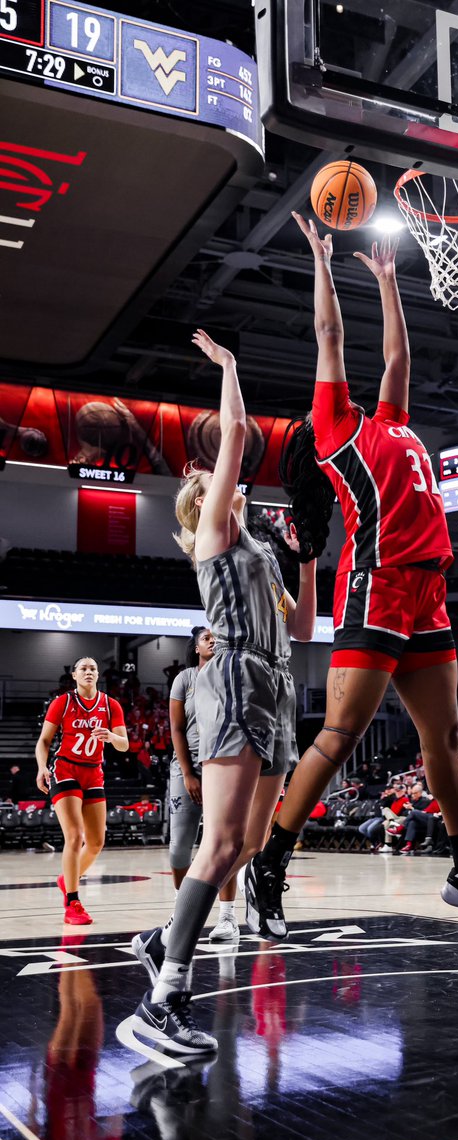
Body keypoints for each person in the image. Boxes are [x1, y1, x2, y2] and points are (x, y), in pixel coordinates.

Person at [238, 215, 458, 940]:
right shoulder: (337, 428)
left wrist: (390, 283)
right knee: (339, 735)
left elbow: (398, 359)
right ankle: (267, 864)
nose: (349, 387)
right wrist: (321, 260)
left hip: (427, 589)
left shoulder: (392, 422)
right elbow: (329, 338)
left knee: (449, 736)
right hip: (376, 585)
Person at [128, 329, 319, 1055]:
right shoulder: (214, 536)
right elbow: (235, 429)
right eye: (212, 479)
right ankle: (164, 997)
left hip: (274, 679)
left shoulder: (262, 553)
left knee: (251, 842)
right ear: (200, 505)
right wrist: (232, 368)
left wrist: (304, 561)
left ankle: (159, 937)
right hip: (235, 676)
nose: (227, 478)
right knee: (217, 845)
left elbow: (300, 626)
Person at [35, 657, 129, 925]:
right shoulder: (63, 702)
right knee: (75, 836)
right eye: (83, 668)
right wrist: (42, 767)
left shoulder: (110, 705)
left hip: (93, 773)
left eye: (92, 669)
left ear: (98, 675)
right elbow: (44, 741)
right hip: (65, 770)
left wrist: (111, 737)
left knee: (97, 841)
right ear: (74, 675)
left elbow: (124, 745)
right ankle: (72, 902)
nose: (88, 672)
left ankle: (67, 880)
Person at [167, 626, 242, 942]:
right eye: (205, 638)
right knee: (178, 850)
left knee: (224, 844)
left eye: (215, 636)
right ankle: (182, 913)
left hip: (223, 765)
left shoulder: (231, 675)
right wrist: (187, 772)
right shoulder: (184, 679)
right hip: (188, 768)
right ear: (195, 647)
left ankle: (227, 918)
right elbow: (176, 728)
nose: (212, 640)